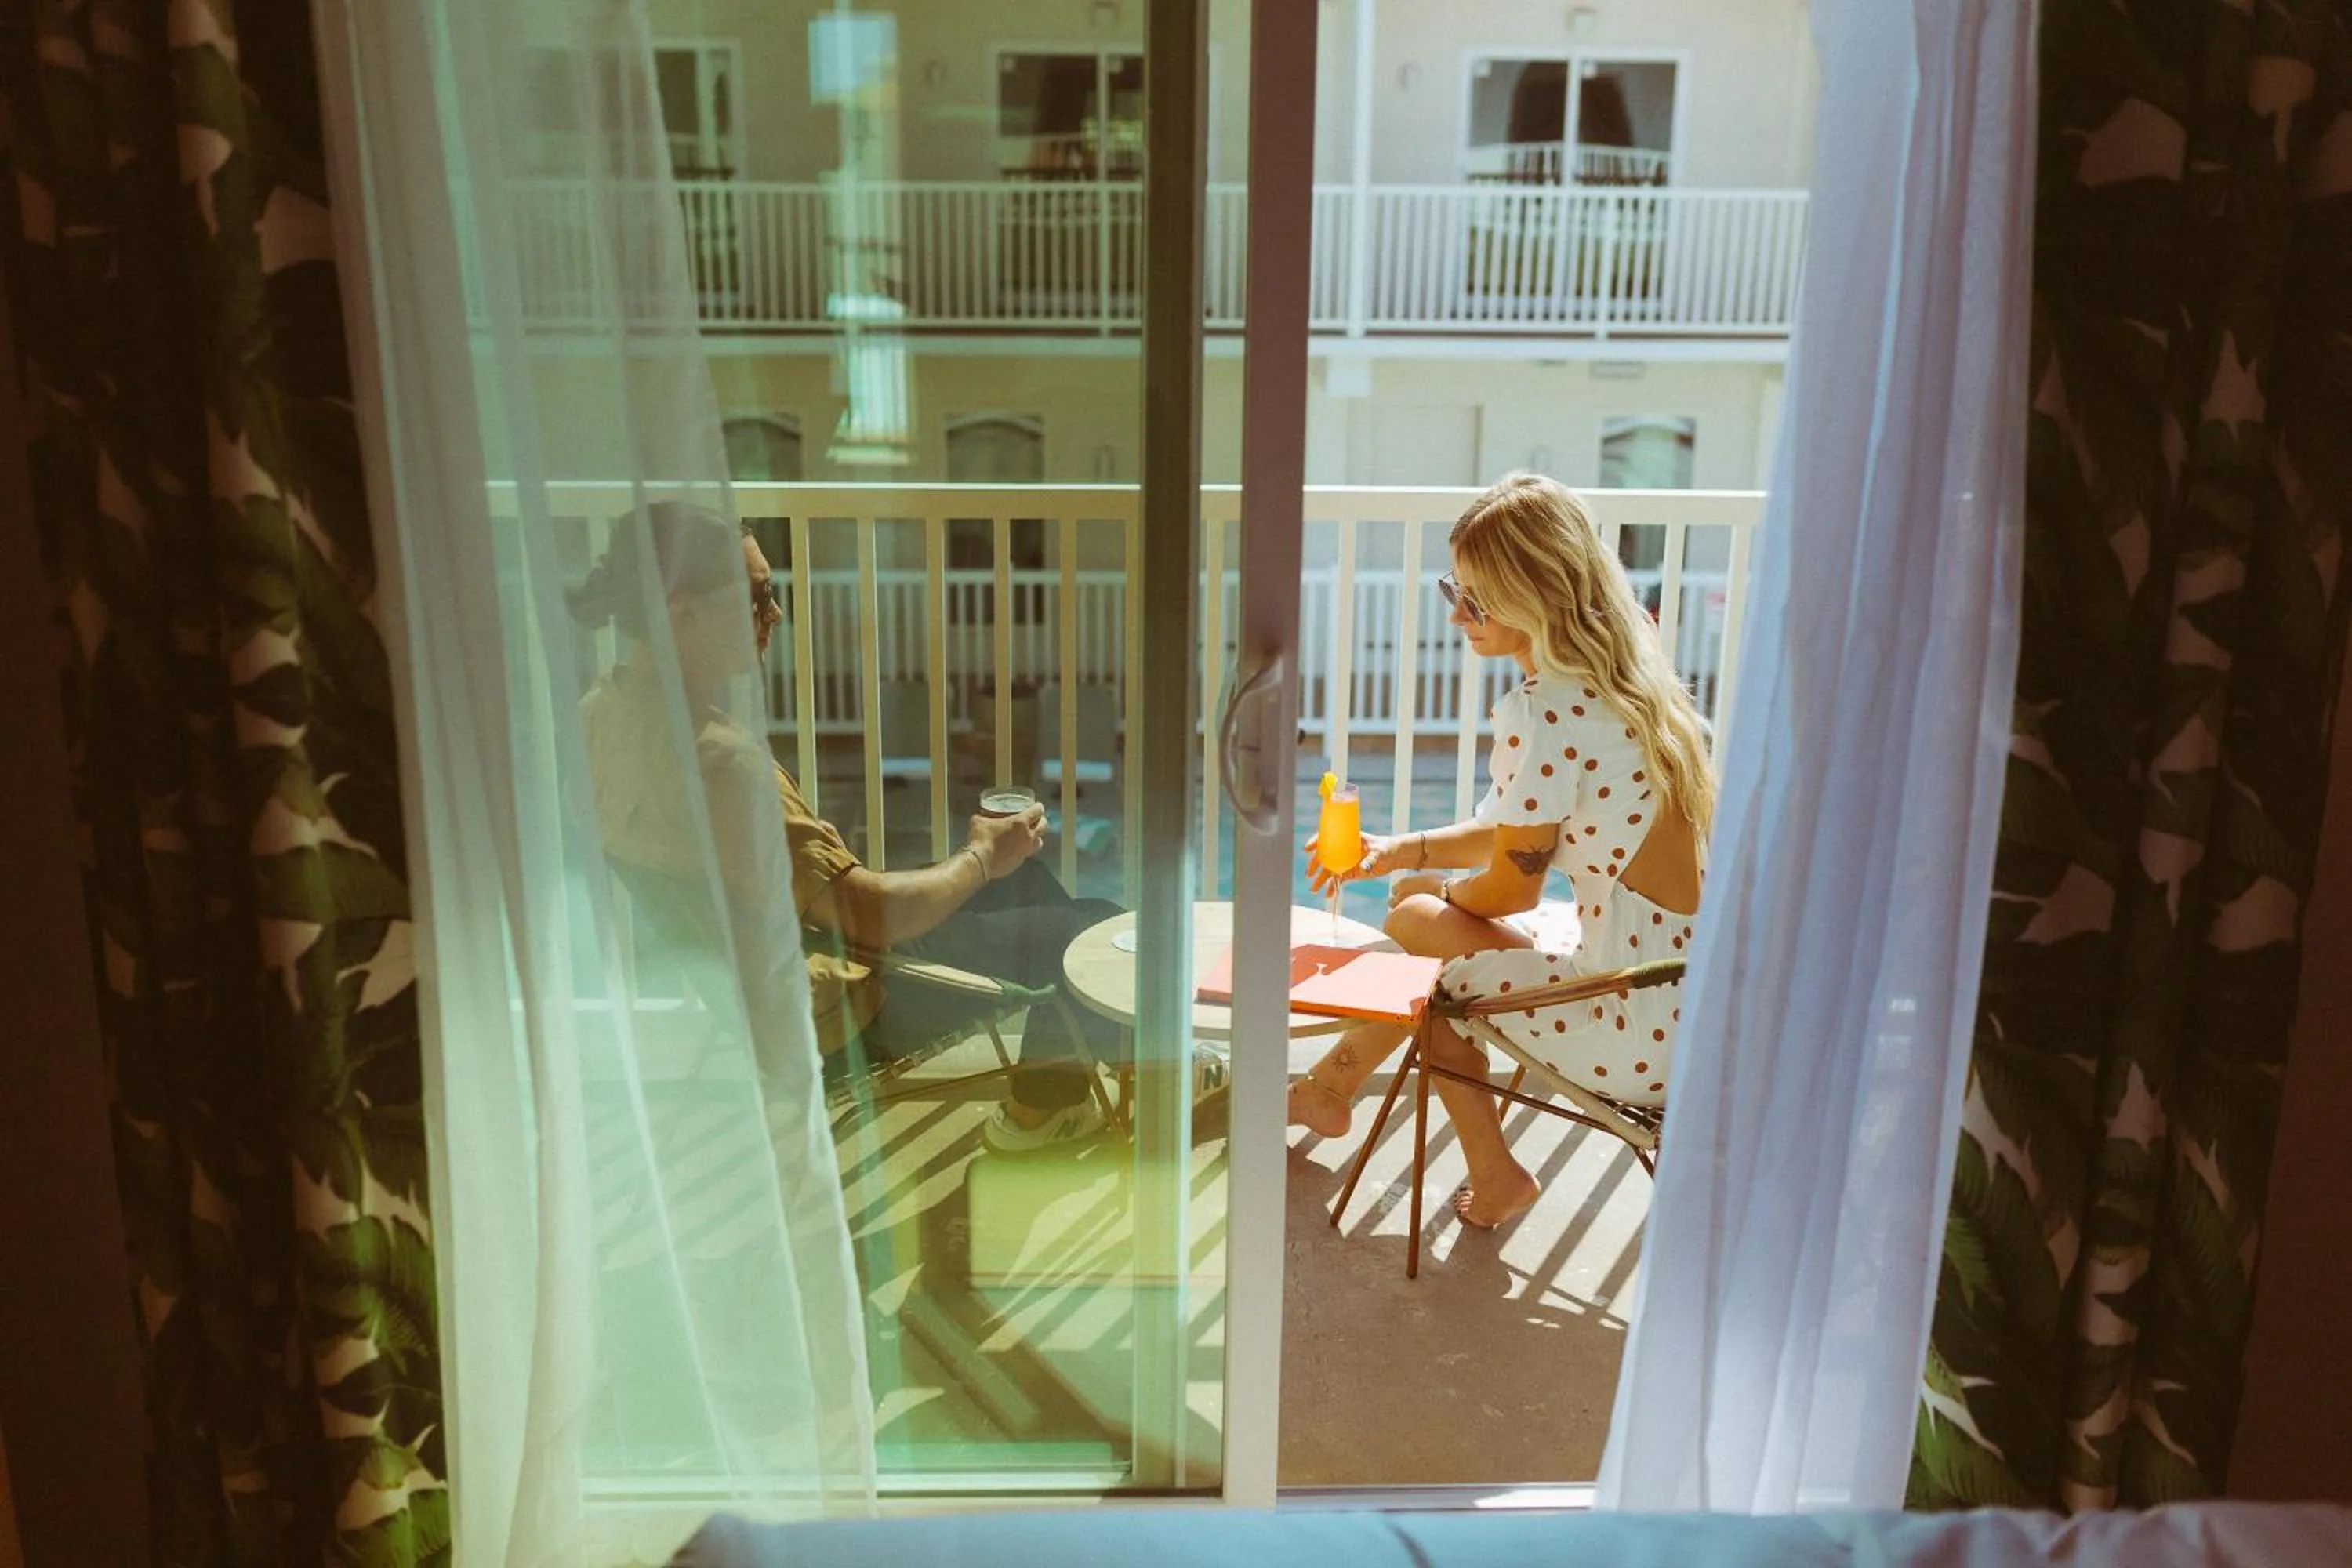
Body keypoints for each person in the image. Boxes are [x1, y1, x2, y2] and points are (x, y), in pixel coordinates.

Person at [572, 503, 1218, 1154]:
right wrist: (979, 856)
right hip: (849, 1004)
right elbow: (871, 915)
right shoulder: (724, 765)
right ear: (682, 610)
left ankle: (1083, 1073)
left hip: (757, 993)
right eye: (759, 596)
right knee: (1095, 930)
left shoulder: (601, 717)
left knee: (1033, 886)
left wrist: (992, 865)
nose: (775, 614)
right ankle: (1043, 1113)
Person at [1289, 473, 1715, 1228]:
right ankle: (1335, 1090)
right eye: (1454, 589)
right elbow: (1525, 826)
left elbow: (1514, 888)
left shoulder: (1542, 710)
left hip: (1634, 1028)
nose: (1457, 615)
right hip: (1700, 1002)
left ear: (1536, 598)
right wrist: (1400, 851)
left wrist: (1431, 909)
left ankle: (1457, 1155)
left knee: (1425, 949)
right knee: (1418, 912)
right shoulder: (1630, 685)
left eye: (1477, 599)